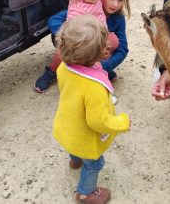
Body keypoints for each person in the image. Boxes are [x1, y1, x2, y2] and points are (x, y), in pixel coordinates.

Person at [52, 14, 131, 204]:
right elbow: (98, 122)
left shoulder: (64, 67)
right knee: (96, 164)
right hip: (85, 139)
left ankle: (75, 160)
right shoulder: (93, 85)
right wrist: (122, 122)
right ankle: (85, 194)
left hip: (67, 127)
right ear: (92, 56)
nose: (108, 46)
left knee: (75, 146)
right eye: (103, 44)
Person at [34, 0, 131, 94]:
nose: (115, 4)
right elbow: (54, 21)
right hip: (74, 45)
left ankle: (96, 68)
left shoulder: (118, 18)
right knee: (67, 45)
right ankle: (52, 71)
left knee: (113, 41)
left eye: (120, 0)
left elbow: (123, 49)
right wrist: (69, 36)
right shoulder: (85, 7)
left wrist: (105, 66)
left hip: (94, 50)